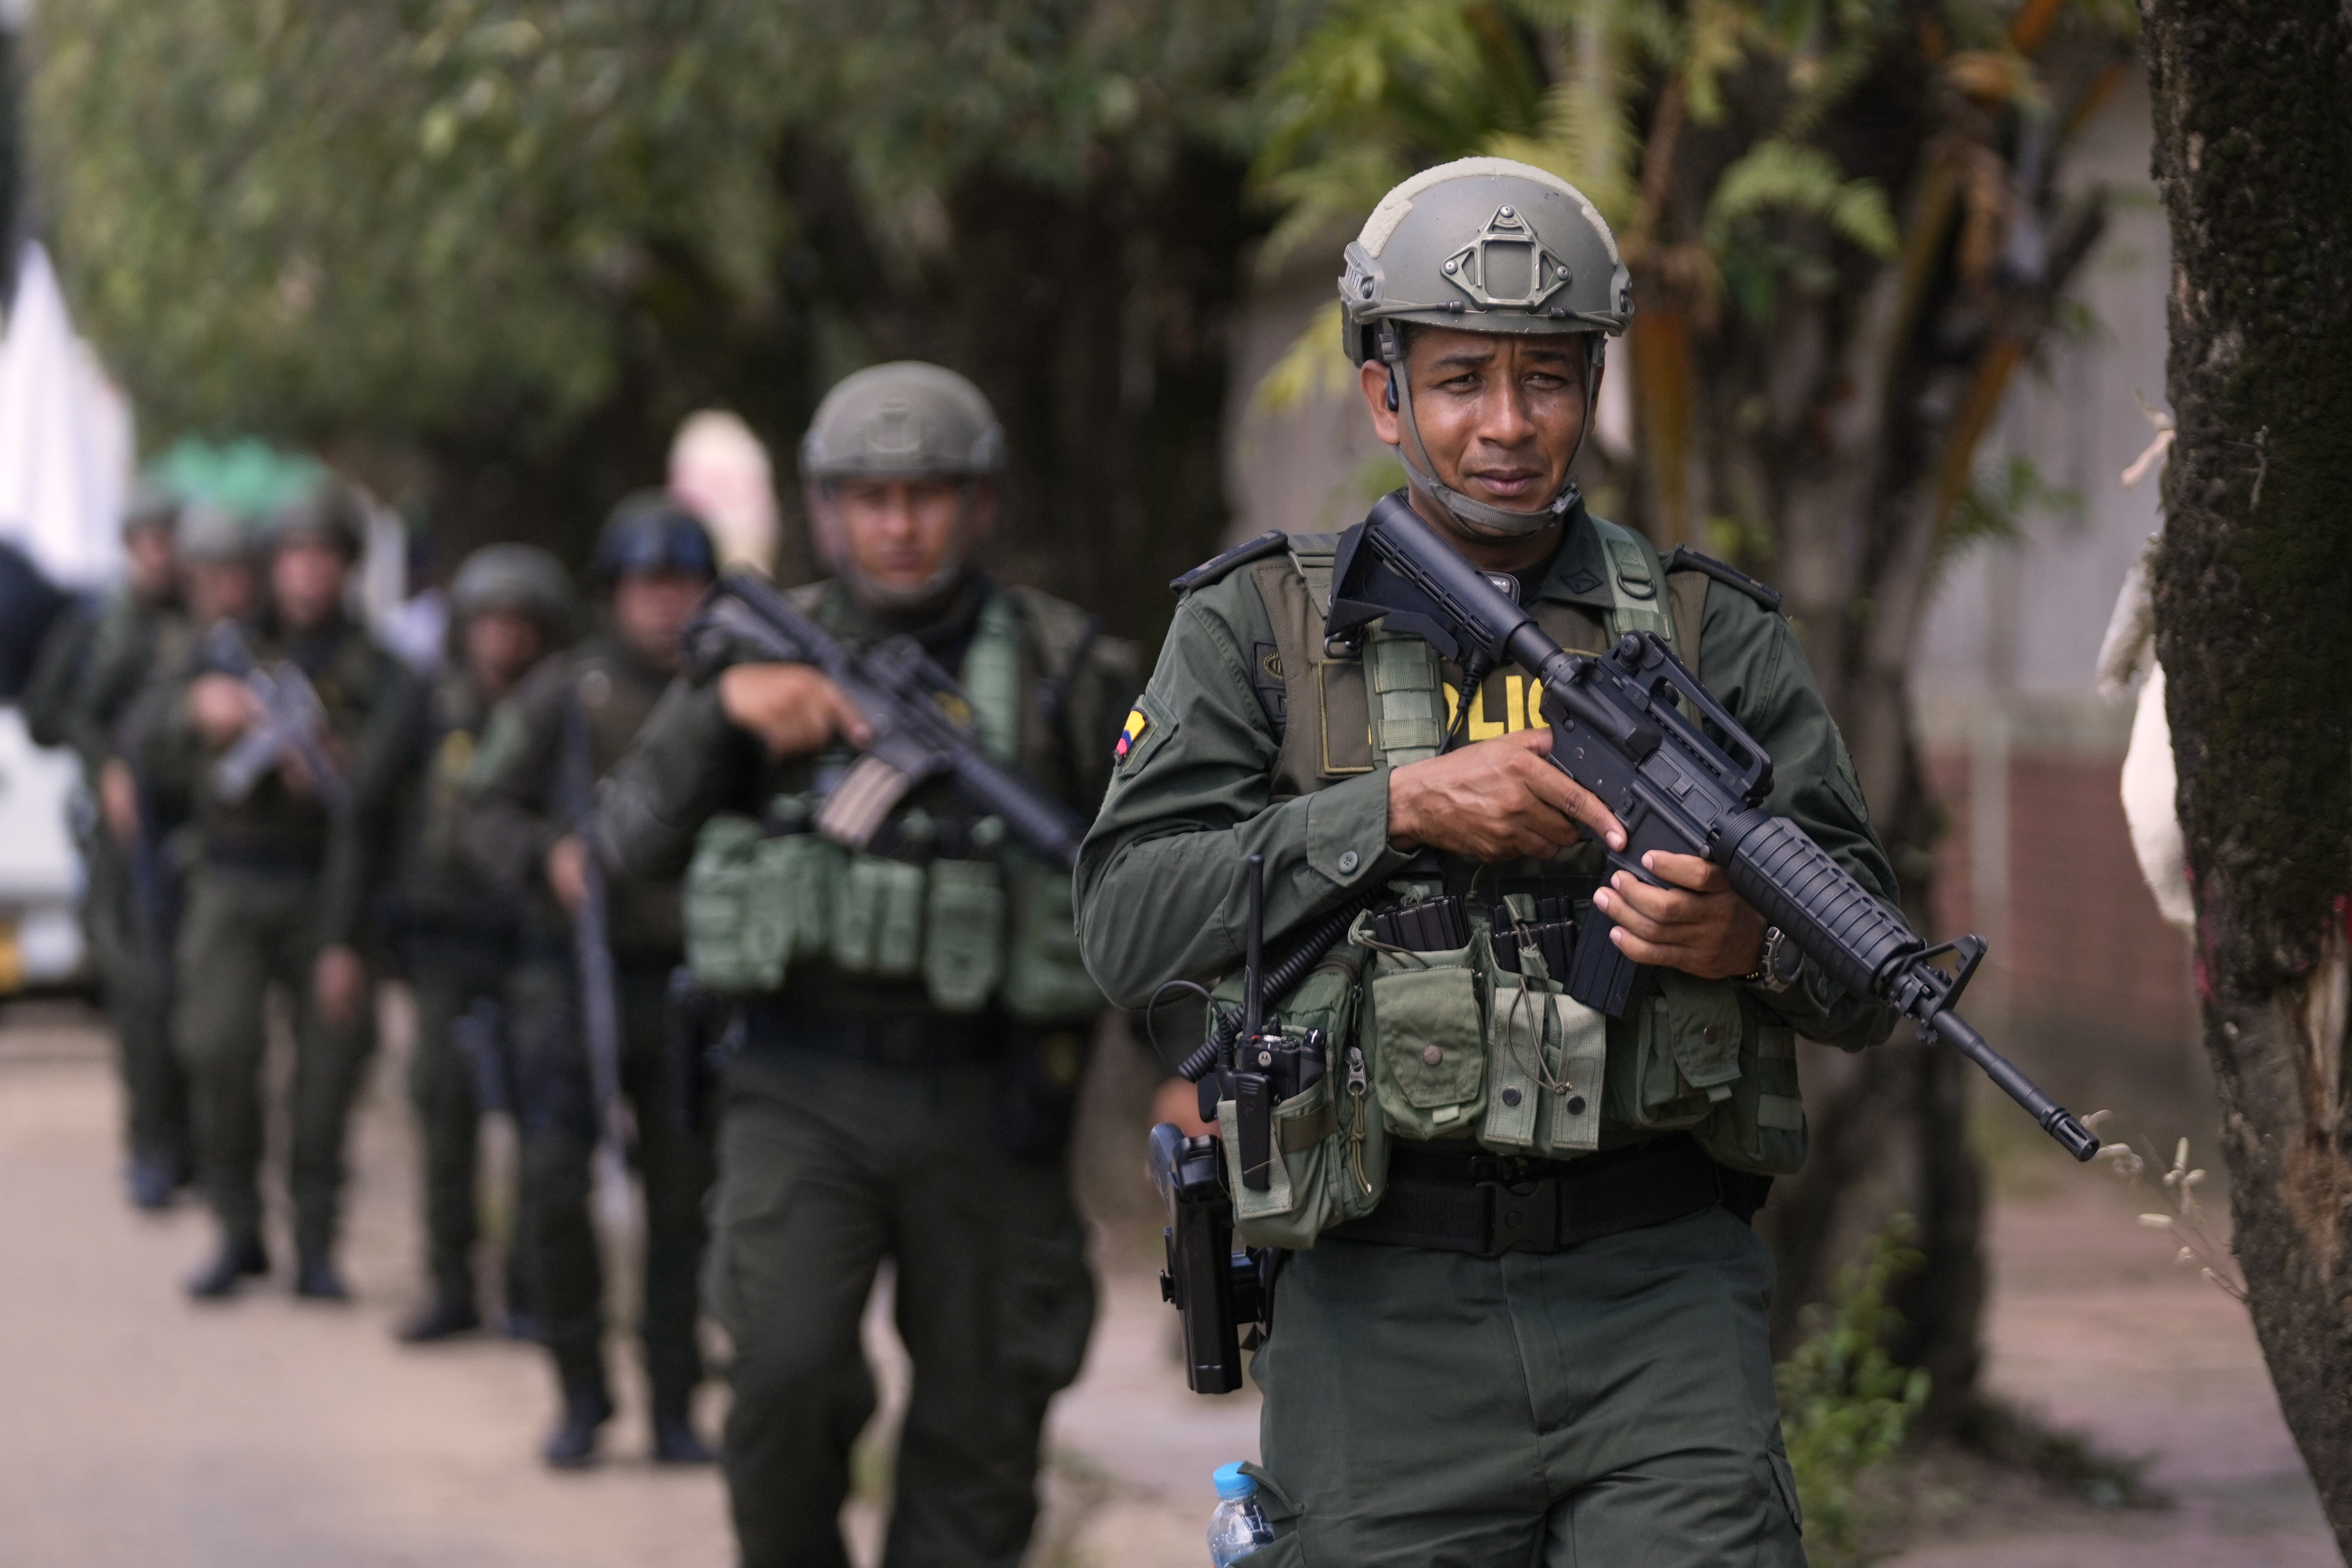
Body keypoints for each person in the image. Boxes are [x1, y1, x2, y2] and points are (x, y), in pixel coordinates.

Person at [1074, 158, 1901, 1567]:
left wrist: (1742, 944)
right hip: (1377, 1309)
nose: (1506, 426)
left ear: (1593, 390)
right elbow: (1123, 921)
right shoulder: (1257, 630)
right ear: (1382, 392)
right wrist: (1391, 813)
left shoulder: (1707, 633)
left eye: (1548, 380)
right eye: (1459, 381)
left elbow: (1867, 969)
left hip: (1659, 1297)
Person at [593, 362, 1138, 1566]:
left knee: (987, 1416)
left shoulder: (1063, 666)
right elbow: (630, 842)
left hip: (995, 1093)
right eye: (869, 497)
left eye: (928, 495)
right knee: (780, 1378)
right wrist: (726, 714)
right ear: (824, 507)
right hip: (800, 1085)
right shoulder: (748, 653)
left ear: (979, 503)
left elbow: (1152, 876)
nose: (898, 525)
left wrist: (1187, 1063)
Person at [461, 495, 720, 1468]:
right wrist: (547, 856)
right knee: (555, 1192)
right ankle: (579, 1392)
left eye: (681, 584)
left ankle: (674, 1404)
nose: (664, 606)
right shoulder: (565, 692)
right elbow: (481, 806)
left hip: (693, 986)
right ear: (613, 595)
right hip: (575, 983)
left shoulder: (725, 690)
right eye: (646, 586)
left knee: (682, 1206)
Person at [138, 483, 424, 1301]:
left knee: (328, 1077)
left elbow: (379, 803)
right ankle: (237, 1232)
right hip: (230, 880)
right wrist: (200, 715)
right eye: (293, 556)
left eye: (323, 557)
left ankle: (318, 1243)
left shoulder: (382, 673)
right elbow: (145, 742)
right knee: (219, 1053)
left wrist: (333, 764)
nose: (306, 574)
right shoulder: (224, 652)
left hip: (327, 888)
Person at [386, 544, 573, 1343]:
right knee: (445, 1116)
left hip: (534, 941)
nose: (501, 639)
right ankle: (451, 1284)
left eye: (518, 624)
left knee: (541, 1122)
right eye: (488, 623)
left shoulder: (564, 712)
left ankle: (533, 1288)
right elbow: (371, 814)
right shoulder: (429, 706)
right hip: (443, 944)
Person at [20, 491, 194, 1208]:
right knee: (137, 992)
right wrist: (107, 763)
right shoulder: (96, 625)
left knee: (197, 996)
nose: (159, 553)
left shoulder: (205, 625)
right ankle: (153, 1146)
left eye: (168, 539)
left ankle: (202, 1148)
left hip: (192, 828)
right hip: (122, 840)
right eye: (146, 540)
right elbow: (45, 716)